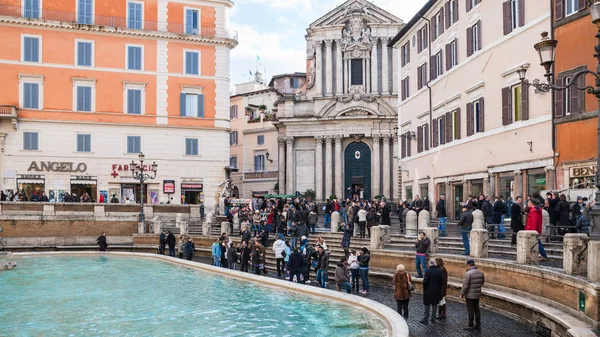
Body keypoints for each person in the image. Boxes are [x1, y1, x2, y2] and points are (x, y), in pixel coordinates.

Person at [460, 259, 485, 331]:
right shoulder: (481, 273)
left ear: (468, 265)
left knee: (470, 310)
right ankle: (478, 325)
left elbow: (465, 285)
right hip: (477, 294)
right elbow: (482, 282)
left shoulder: (468, 273)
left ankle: (470, 325)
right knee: (477, 309)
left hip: (470, 295)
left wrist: (462, 293)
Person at [420, 259, 443, 324]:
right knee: (434, 304)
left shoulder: (427, 271)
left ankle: (425, 318)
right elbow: (441, 281)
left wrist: (425, 288)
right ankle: (433, 318)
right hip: (436, 290)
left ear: (429, 264)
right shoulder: (439, 271)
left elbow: (425, 282)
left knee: (427, 305)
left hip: (428, 290)